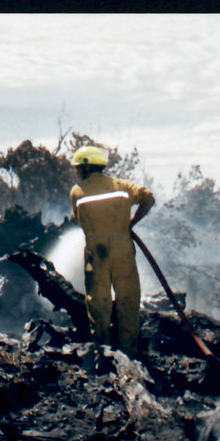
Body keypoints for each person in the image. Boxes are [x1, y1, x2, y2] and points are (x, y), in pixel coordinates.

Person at [69, 145, 155, 354]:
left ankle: (103, 353)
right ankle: (129, 354)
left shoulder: (78, 191)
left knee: (99, 303)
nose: (76, 172)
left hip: (97, 253)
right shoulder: (121, 186)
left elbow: (78, 220)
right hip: (123, 250)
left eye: (77, 168)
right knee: (128, 299)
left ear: (86, 168)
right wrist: (131, 222)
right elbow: (148, 198)